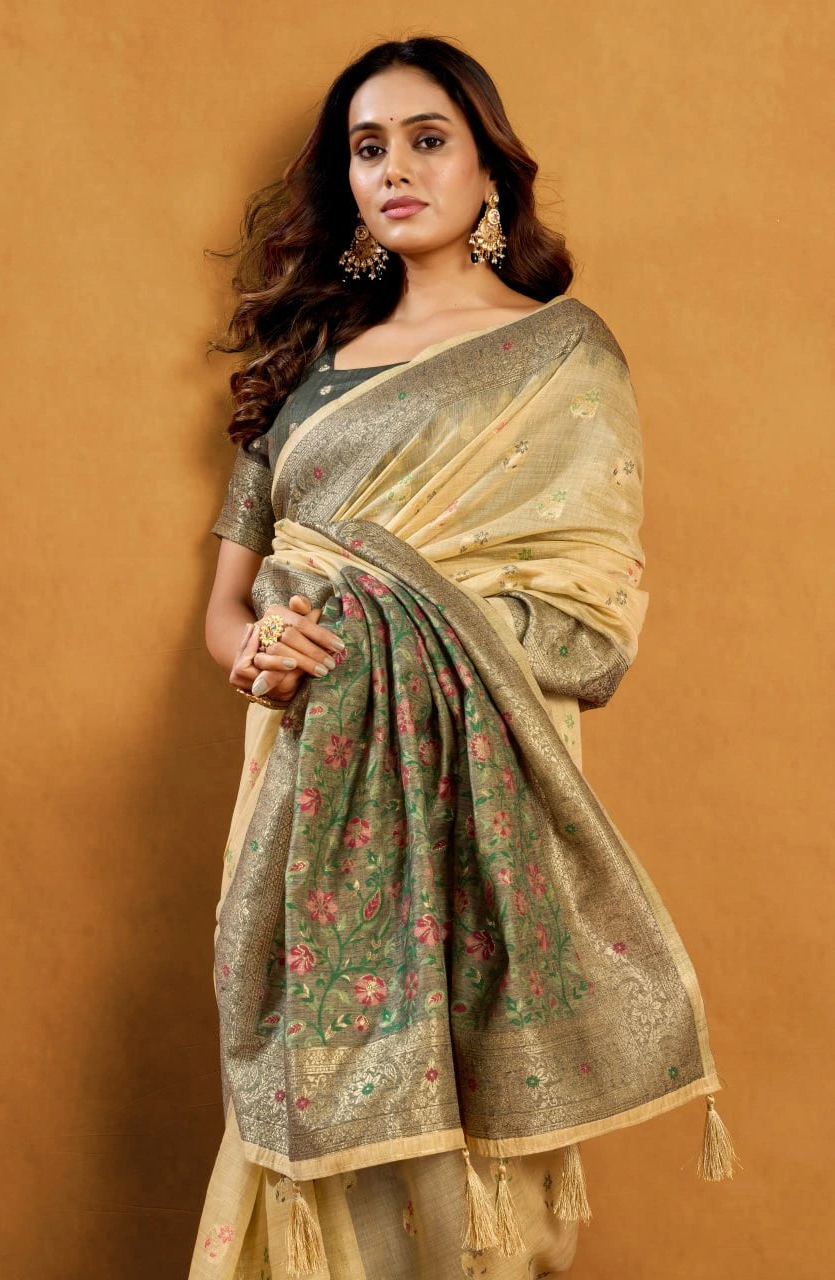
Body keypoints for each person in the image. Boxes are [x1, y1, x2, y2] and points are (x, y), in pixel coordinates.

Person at [189, 35, 734, 1280]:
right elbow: (226, 609)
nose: (395, 167)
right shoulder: (307, 386)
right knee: (319, 1083)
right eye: (368, 147)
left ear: (488, 170)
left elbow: (589, 603)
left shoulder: (563, 355)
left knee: (467, 1077)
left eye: (427, 139)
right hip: (306, 768)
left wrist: (400, 617)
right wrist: (262, 651)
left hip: (472, 772)